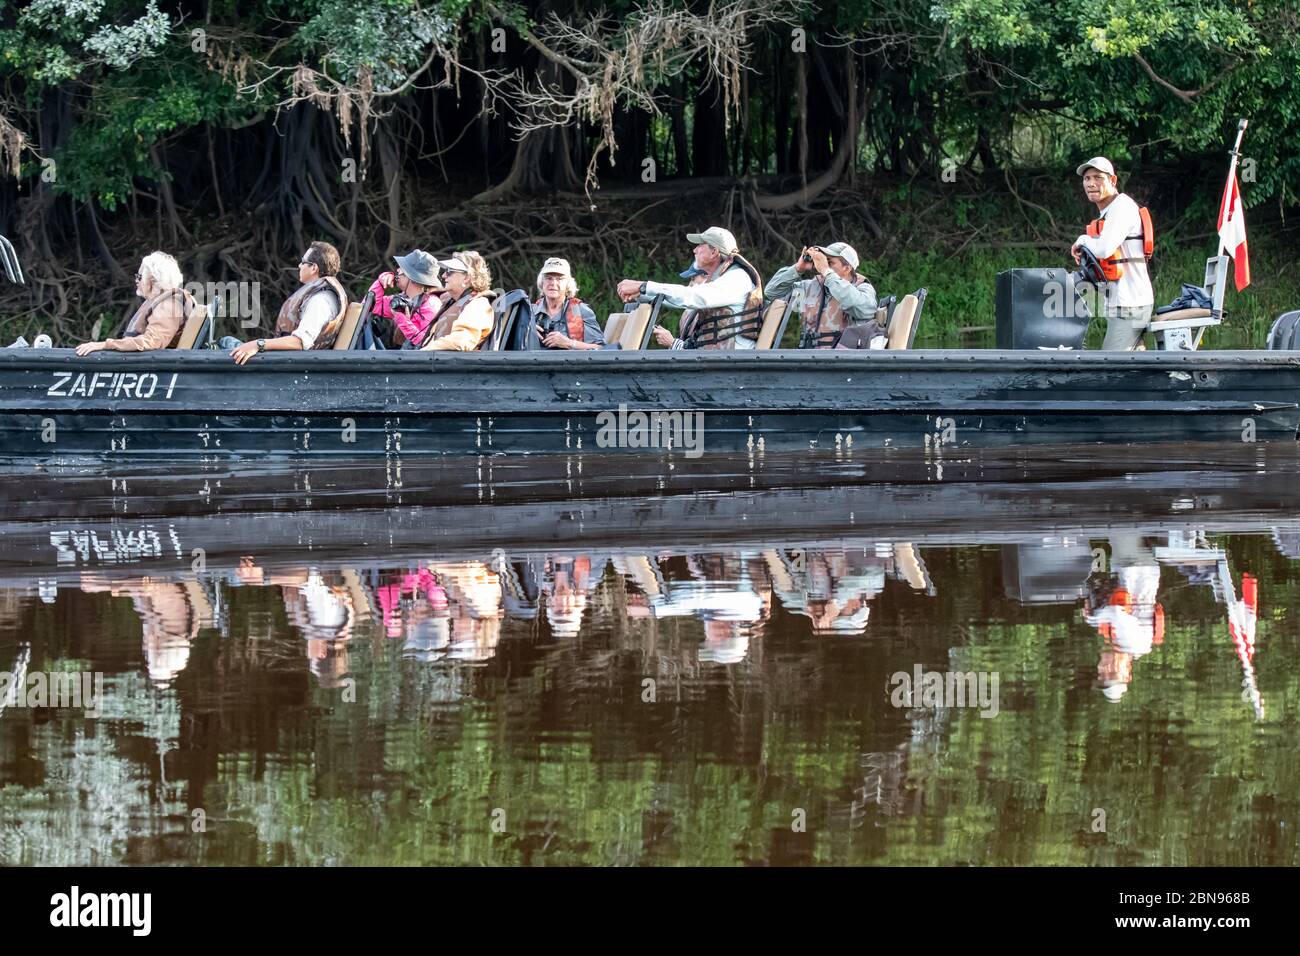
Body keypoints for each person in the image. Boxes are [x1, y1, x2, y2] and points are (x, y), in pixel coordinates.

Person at [616, 226, 764, 350]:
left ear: (714, 252)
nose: (695, 250)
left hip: (730, 364)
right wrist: (642, 293)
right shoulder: (722, 279)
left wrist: (644, 286)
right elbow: (681, 302)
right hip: (717, 360)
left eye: (700, 245)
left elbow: (692, 297)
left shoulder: (736, 279)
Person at [1070, 157, 1154, 350]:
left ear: (1113, 181)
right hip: (1121, 304)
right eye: (1087, 178)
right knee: (1129, 365)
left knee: (1109, 367)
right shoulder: (1108, 212)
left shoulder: (1122, 207)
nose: (1091, 183)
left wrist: (1082, 240)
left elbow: (1104, 249)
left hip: (1131, 305)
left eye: (1098, 178)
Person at [229, 241, 348, 364]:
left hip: (292, 366)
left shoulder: (320, 301)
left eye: (303, 262)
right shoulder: (323, 297)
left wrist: (258, 344)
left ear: (314, 268)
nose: (299, 265)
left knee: (226, 343)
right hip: (290, 362)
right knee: (228, 342)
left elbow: (300, 342)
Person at [75, 252, 198, 355]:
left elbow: (152, 342)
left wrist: (105, 345)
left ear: (152, 280)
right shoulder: (160, 300)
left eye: (139, 276)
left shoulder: (168, 305)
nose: (136, 280)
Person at [766, 241, 877, 348]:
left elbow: (864, 310)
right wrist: (798, 268)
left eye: (830, 262)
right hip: (809, 359)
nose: (822, 265)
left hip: (843, 360)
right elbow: (772, 292)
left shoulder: (861, 288)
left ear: (847, 268)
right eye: (823, 261)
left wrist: (826, 271)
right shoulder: (810, 288)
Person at [416, 251, 494, 351]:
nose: (443, 275)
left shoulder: (478, 304)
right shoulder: (453, 301)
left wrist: (423, 352)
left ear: (467, 278)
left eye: (449, 271)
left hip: (454, 365)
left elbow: (462, 341)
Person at [367, 249, 443, 348]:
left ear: (413, 277)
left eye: (402, 268)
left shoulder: (431, 305)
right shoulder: (403, 299)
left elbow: (425, 344)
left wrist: (402, 320)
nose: (397, 270)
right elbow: (370, 306)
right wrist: (381, 282)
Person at [528, 257, 606, 350]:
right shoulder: (528, 312)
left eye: (559, 279)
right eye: (549, 278)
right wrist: (526, 333)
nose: (553, 283)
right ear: (542, 282)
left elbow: (601, 349)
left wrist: (569, 343)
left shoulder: (581, 311)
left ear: (568, 284)